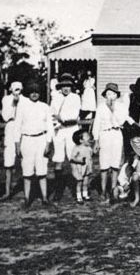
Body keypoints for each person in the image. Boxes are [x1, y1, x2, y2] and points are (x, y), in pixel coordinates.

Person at [14, 81, 54, 208]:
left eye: (37, 92)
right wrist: (17, 144)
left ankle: (44, 198)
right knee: (27, 171)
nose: (34, 94)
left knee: (42, 170)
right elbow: (17, 127)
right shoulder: (22, 107)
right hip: (27, 140)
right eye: (32, 92)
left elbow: (50, 127)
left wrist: (48, 143)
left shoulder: (45, 107)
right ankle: (27, 199)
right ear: (28, 93)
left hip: (41, 139)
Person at [92, 83, 128, 202]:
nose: (110, 96)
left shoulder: (121, 107)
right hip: (104, 135)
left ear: (117, 95)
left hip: (117, 134)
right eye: (108, 94)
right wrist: (96, 140)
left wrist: (113, 110)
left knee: (115, 163)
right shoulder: (101, 107)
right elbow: (96, 124)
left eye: (113, 94)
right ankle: (103, 191)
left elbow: (121, 121)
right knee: (104, 164)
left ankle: (113, 190)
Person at [50, 73, 81, 201]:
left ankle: (76, 189)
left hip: (71, 130)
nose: (66, 88)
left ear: (71, 86)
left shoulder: (76, 97)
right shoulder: (55, 98)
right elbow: (52, 115)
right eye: (63, 86)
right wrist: (57, 122)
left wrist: (61, 118)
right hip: (59, 131)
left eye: (68, 86)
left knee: (73, 158)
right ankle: (58, 190)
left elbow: (74, 117)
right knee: (58, 159)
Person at [0, 81, 27, 200]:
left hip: (22, 128)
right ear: (11, 89)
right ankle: (7, 192)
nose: (17, 92)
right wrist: (13, 104)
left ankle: (28, 192)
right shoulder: (6, 99)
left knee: (25, 159)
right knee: (9, 161)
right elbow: (6, 116)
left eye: (19, 89)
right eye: (15, 89)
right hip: (10, 128)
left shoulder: (26, 100)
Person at [70, 129, 93, 204]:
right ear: (81, 140)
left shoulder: (89, 148)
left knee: (86, 182)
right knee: (79, 182)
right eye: (87, 136)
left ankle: (85, 195)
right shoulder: (77, 148)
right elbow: (72, 158)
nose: (89, 137)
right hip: (79, 168)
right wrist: (79, 160)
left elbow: (90, 156)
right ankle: (79, 197)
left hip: (86, 168)